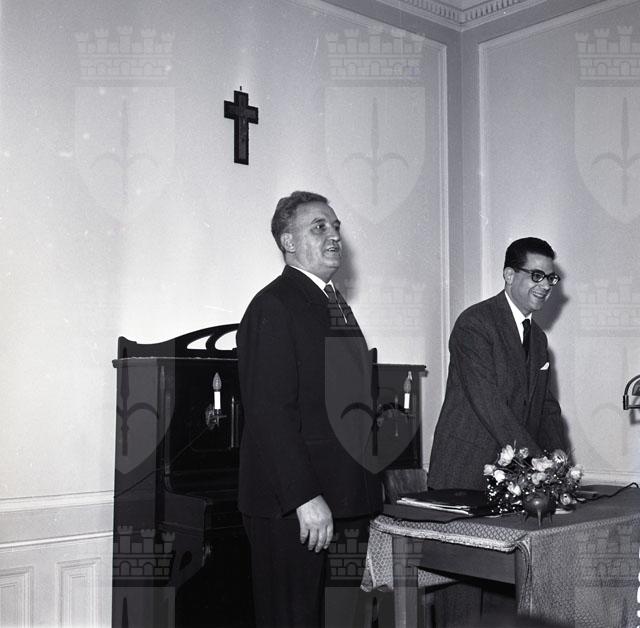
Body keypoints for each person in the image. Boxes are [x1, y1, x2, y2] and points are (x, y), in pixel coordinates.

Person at [237, 191, 382, 628]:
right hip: (298, 508)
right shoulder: (273, 305)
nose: (334, 235)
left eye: (335, 226)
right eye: (319, 227)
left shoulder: (336, 305)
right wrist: (304, 497)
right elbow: (269, 413)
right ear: (288, 242)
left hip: (346, 500)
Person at [427, 236, 568, 626]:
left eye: (551, 278)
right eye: (536, 275)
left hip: (510, 480)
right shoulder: (475, 323)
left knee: (505, 593)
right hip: (463, 475)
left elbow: (546, 408)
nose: (545, 285)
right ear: (508, 275)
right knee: (462, 594)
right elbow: (489, 405)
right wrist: (539, 462)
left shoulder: (538, 339)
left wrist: (559, 459)